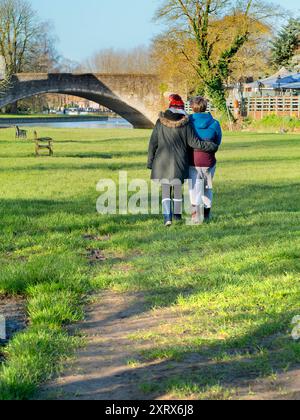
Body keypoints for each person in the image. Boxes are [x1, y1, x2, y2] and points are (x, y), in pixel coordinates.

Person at [147, 94, 219, 227]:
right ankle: (177, 216)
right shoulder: (185, 123)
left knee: (165, 190)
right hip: (179, 162)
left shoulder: (160, 122)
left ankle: (167, 218)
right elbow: (194, 142)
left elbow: (153, 143)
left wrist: (150, 161)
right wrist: (212, 146)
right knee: (177, 189)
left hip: (161, 161)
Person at [188, 96, 222, 223]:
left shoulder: (188, 122)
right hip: (209, 161)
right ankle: (207, 214)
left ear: (192, 107)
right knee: (207, 188)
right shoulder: (214, 123)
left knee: (194, 189)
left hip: (193, 160)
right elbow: (217, 141)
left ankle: (195, 216)